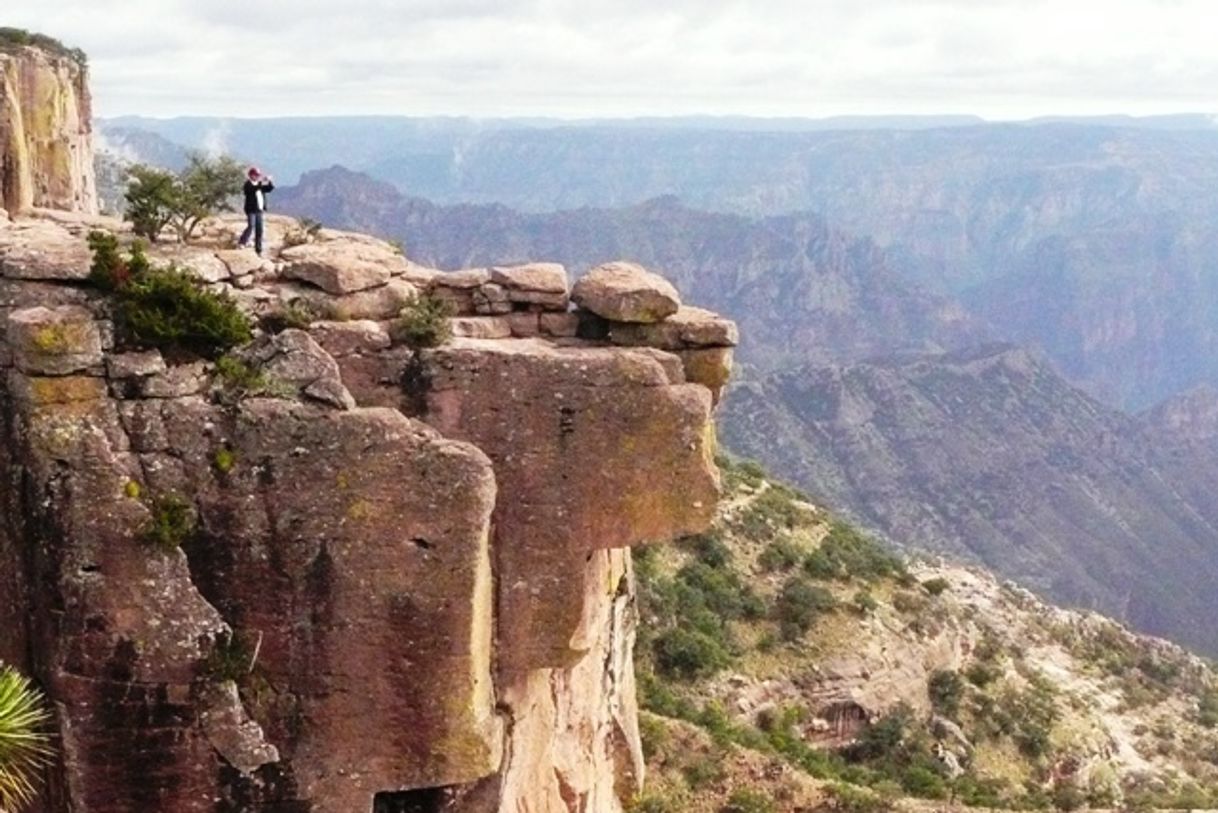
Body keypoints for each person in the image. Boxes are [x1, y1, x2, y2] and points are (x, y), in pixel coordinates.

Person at [238, 166, 274, 255]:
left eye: (258, 175)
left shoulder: (259, 185)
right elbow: (252, 189)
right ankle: (242, 242)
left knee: (259, 230)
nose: (257, 177)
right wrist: (262, 182)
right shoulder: (248, 184)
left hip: (259, 210)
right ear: (251, 175)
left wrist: (269, 181)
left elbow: (269, 189)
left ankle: (258, 250)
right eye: (255, 175)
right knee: (251, 225)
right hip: (251, 209)